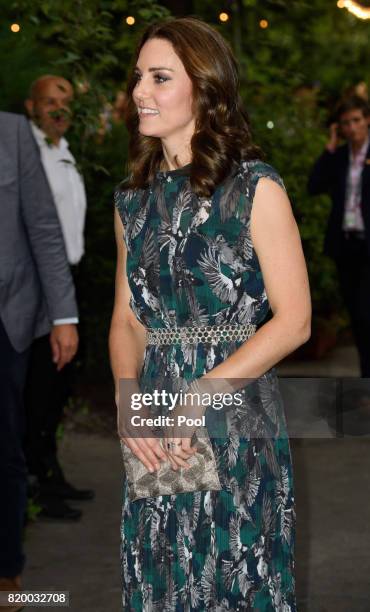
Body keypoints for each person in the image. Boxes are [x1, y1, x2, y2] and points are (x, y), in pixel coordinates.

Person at [109, 17, 311, 610]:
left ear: (204, 88)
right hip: (155, 411)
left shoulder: (255, 188)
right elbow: (126, 319)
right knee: (164, 566)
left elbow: (295, 319)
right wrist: (128, 404)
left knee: (233, 569)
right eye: (138, 76)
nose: (140, 91)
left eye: (160, 77)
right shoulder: (132, 201)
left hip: (233, 404)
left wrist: (201, 394)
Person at [0, 111, 78, 608]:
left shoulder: (12, 133)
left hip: (6, 316)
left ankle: (6, 572)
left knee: (4, 443)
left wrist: (64, 314)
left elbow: (44, 226)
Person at [23, 75, 93, 522]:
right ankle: (35, 484)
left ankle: (49, 472)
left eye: (65, 104)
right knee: (39, 385)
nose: (57, 111)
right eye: (50, 102)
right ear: (31, 106)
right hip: (37, 283)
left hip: (67, 276)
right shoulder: (25, 154)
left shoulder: (63, 152)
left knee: (59, 384)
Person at [308, 96, 370, 378]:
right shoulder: (340, 157)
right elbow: (314, 185)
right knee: (358, 317)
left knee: (366, 313)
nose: (352, 127)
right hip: (346, 247)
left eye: (356, 120)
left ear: (367, 120)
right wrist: (330, 148)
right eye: (345, 123)